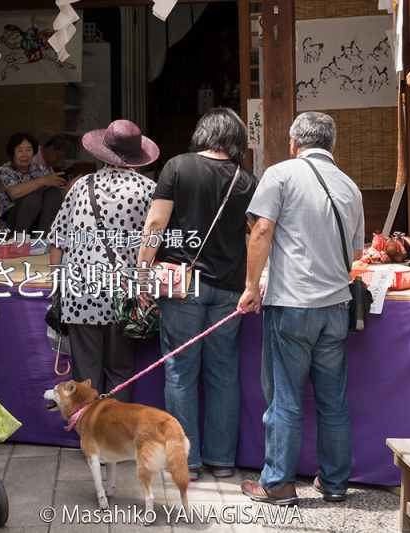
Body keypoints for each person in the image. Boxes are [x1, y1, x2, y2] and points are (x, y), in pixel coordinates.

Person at [238, 112, 364, 505]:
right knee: (332, 400)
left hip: (292, 303)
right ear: (332, 144)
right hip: (335, 306)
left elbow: (261, 230)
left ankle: (277, 484)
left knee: (285, 397)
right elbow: (356, 254)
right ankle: (335, 482)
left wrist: (249, 285)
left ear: (294, 142)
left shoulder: (280, 174)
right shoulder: (350, 187)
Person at [136, 107, 257, 480]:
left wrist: (143, 272)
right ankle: (222, 461)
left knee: (180, 372)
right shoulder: (247, 180)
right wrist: (253, 282)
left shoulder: (177, 167)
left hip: (180, 285)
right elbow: (256, 233)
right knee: (223, 373)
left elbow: (156, 221)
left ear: (203, 133)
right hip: (228, 287)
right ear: (235, 140)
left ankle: (186, 461)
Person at [49, 119, 158, 402]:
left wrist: (56, 285)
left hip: (80, 292)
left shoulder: (79, 186)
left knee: (85, 376)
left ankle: (90, 441)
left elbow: (57, 240)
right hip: (123, 293)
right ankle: (116, 438)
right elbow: (156, 243)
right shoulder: (148, 190)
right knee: (120, 371)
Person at [0, 132, 66, 236]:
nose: (24, 155)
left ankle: (42, 237)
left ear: (34, 152)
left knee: (53, 193)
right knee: (33, 198)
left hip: (37, 221)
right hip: (13, 221)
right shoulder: (5, 170)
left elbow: (55, 196)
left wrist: (68, 189)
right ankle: (19, 239)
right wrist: (42, 181)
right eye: (20, 150)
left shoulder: (40, 169)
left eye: (28, 150)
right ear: (12, 153)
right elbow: (13, 193)